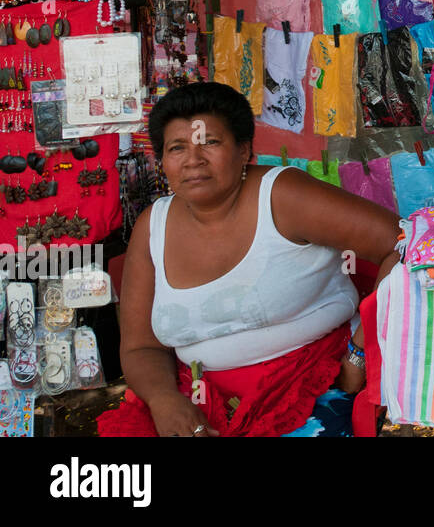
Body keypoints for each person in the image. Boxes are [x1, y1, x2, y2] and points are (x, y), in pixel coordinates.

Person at [98, 82, 402, 437]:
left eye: (210, 142)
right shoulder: (153, 226)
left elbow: (405, 242)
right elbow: (140, 346)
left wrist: (360, 355)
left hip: (311, 383)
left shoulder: (282, 196)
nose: (193, 160)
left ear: (245, 151)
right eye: (176, 147)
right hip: (198, 397)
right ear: (162, 161)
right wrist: (164, 400)